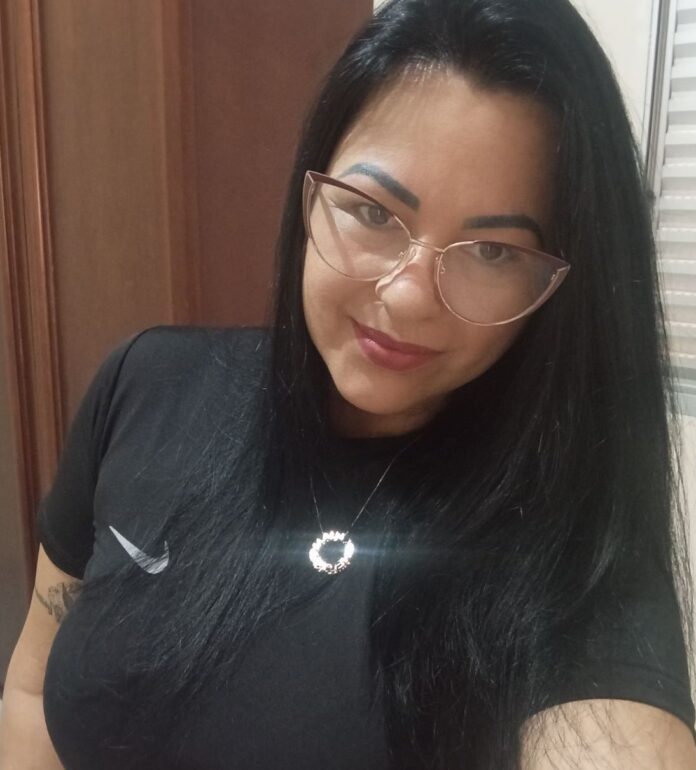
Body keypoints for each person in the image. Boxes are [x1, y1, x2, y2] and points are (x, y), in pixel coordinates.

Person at [1, 0, 695, 767]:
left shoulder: (574, 550)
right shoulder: (145, 384)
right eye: (372, 211)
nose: (408, 297)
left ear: (561, 284)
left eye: (493, 252)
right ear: (313, 191)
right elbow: (31, 689)